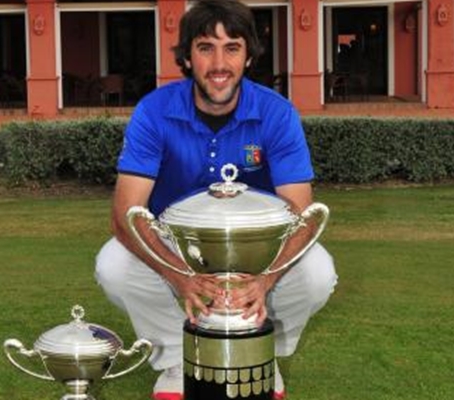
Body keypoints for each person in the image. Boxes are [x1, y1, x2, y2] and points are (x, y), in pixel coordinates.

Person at [94, 1, 337, 399]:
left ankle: (259, 353)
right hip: (176, 242)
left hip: (257, 246)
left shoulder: (277, 114)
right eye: (206, 47)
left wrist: (265, 279)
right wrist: (180, 276)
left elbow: (303, 216)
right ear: (187, 57)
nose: (219, 63)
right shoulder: (154, 111)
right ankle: (177, 358)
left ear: (249, 55)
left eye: (232, 47)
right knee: (113, 263)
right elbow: (125, 216)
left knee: (317, 272)